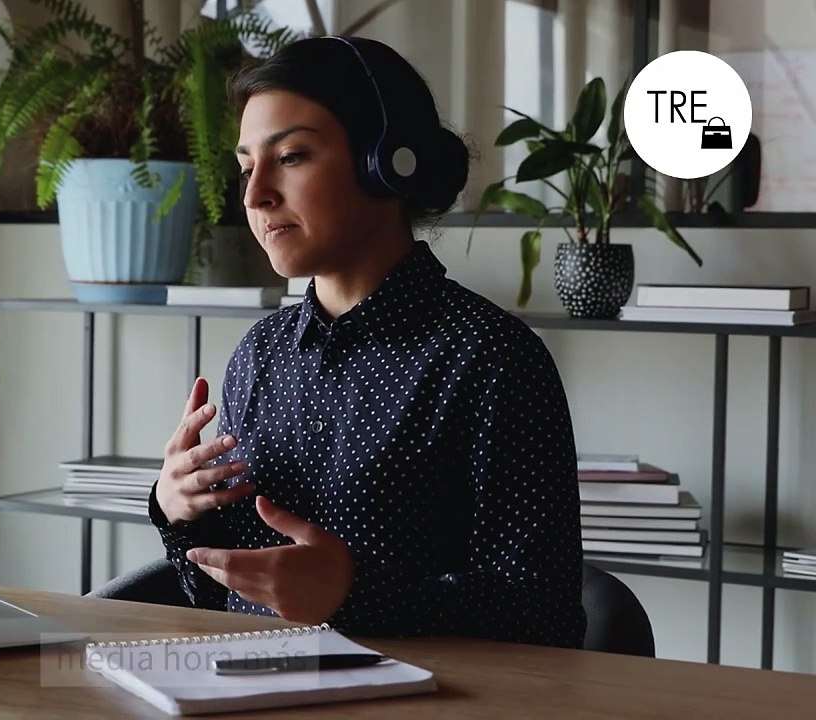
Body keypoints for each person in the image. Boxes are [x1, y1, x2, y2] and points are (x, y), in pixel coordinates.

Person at [147, 35, 586, 649]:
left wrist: (352, 595)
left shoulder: (491, 359)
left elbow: (544, 617)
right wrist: (177, 507)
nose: (254, 195)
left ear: (387, 161)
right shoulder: (258, 357)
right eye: (247, 168)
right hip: (250, 689)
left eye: (291, 156)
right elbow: (225, 598)